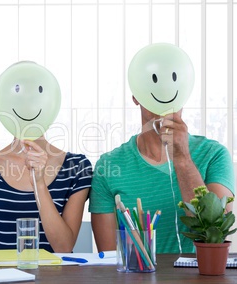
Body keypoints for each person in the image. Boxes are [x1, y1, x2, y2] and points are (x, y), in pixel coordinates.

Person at [89, 97, 235, 254]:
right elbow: (109, 260)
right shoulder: (108, 165)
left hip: (199, 278)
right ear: (136, 96)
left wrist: (182, 158)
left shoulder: (214, 154)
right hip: (136, 278)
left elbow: (216, 232)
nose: (164, 96)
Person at [0, 137, 92, 253]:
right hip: (2, 276)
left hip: (55, 277)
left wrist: (39, 183)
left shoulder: (77, 166)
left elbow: (63, 248)